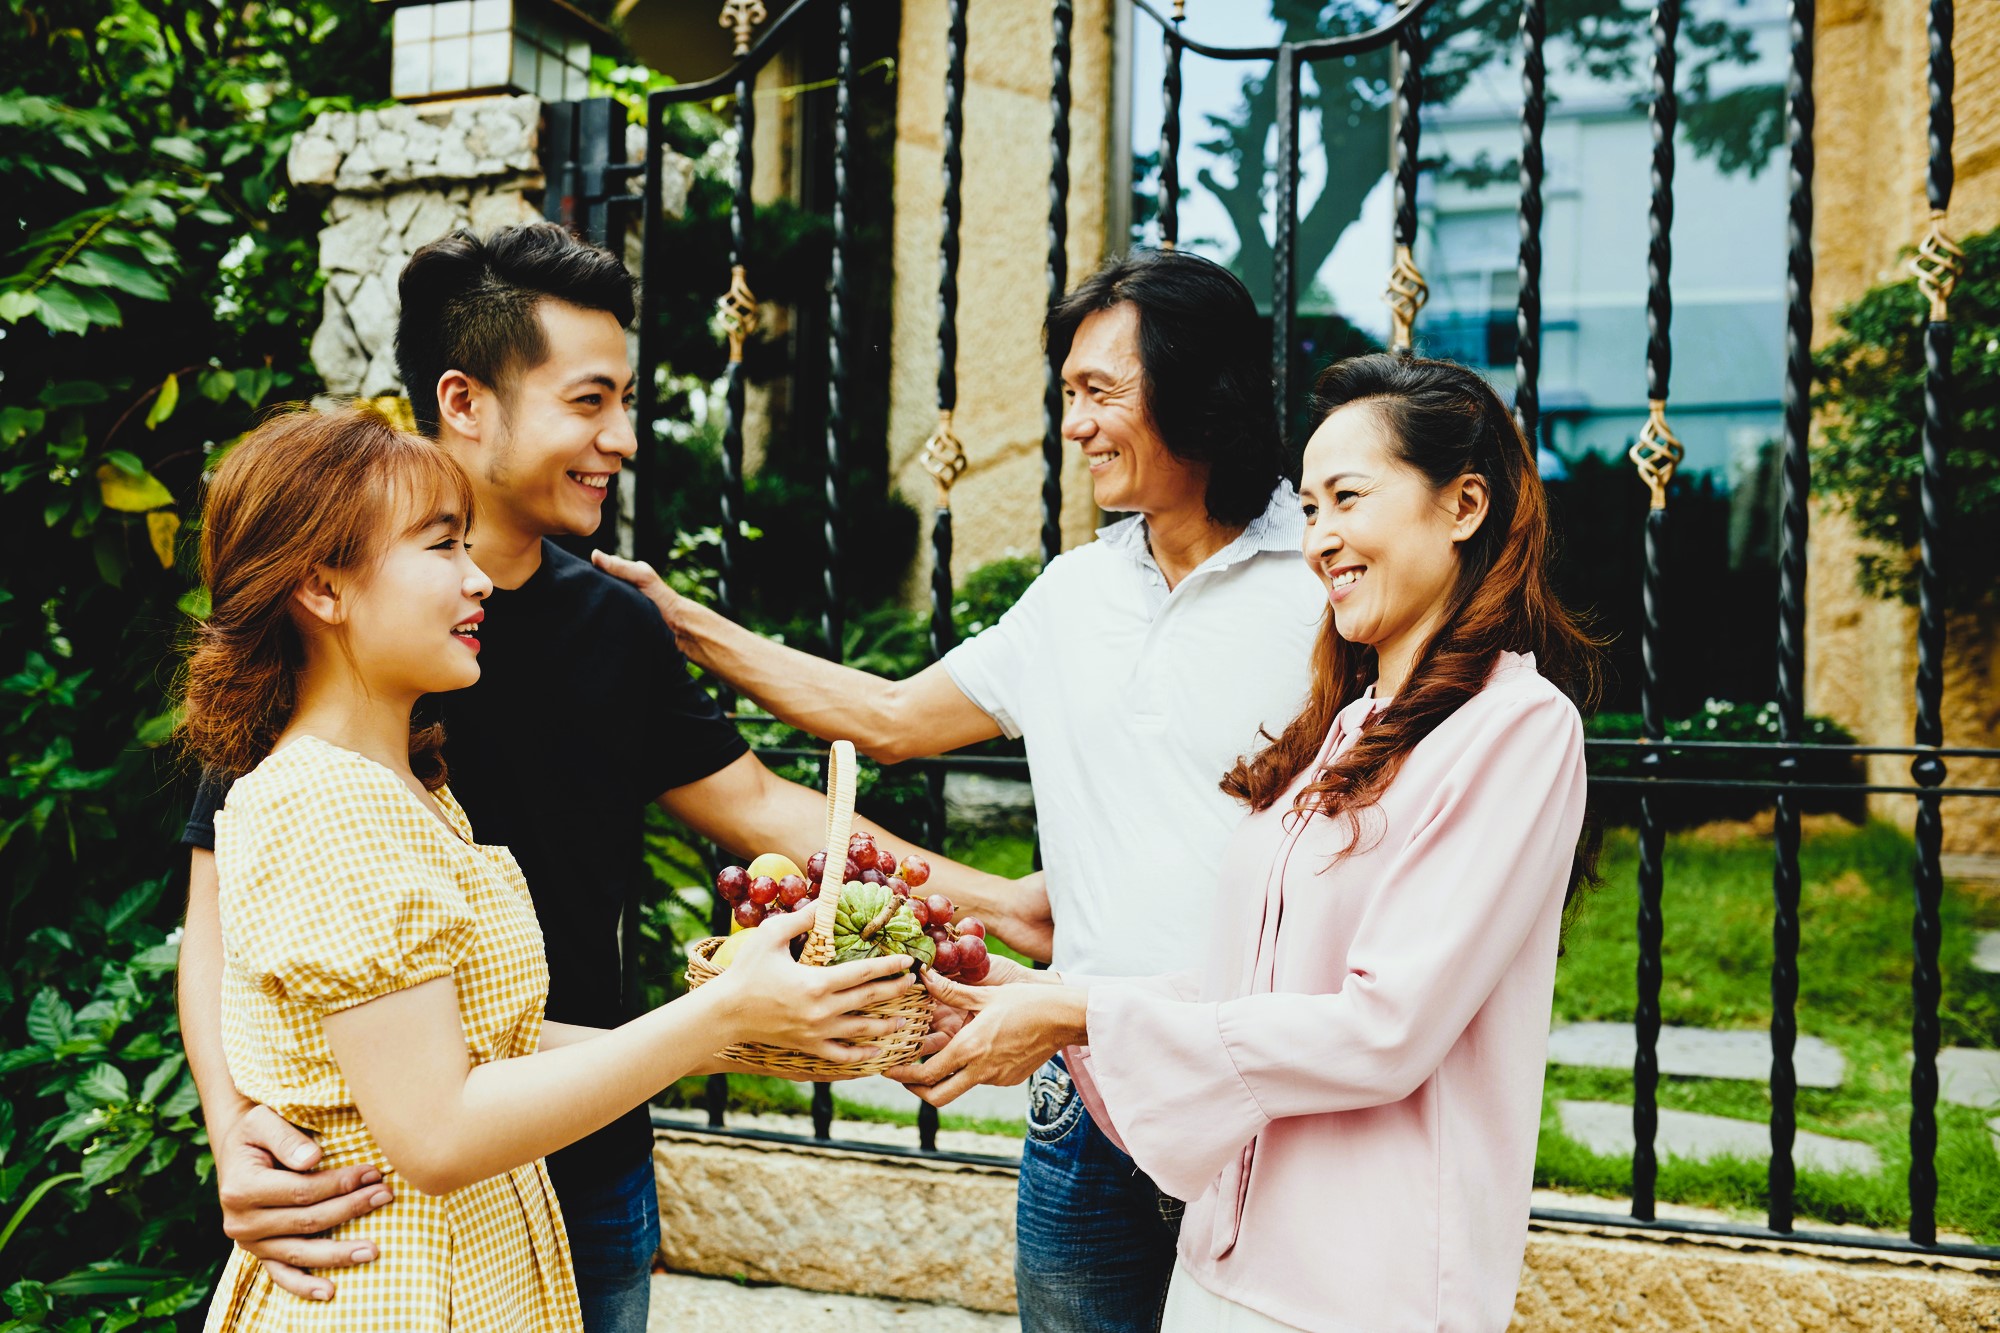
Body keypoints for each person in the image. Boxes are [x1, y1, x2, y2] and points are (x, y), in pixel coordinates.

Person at [173, 223, 1040, 1333]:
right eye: (588, 402)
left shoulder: (609, 628)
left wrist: (999, 903)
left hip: (581, 1164)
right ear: (466, 400)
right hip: (384, 1202)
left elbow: (768, 809)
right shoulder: (326, 719)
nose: (621, 437)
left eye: (626, 401)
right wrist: (238, 1123)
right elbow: (225, 925)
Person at [594, 248, 1325, 1332]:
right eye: (1066, 394)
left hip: (1263, 1095)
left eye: (1097, 394)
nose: (1072, 425)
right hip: (1087, 1102)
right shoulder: (1076, 592)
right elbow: (889, 721)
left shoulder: (1323, 576)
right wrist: (685, 623)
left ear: (1196, 387)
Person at [896, 353, 1603, 1332]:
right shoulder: (1345, 729)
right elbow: (1251, 994)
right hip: (1228, 1254)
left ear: (1464, 504)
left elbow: (1381, 1030)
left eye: (1346, 498)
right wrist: (1057, 1007)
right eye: (1308, 509)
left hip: (1364, 1290)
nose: (1320, 539)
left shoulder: (1515, 730)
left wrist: (1087, 1012)